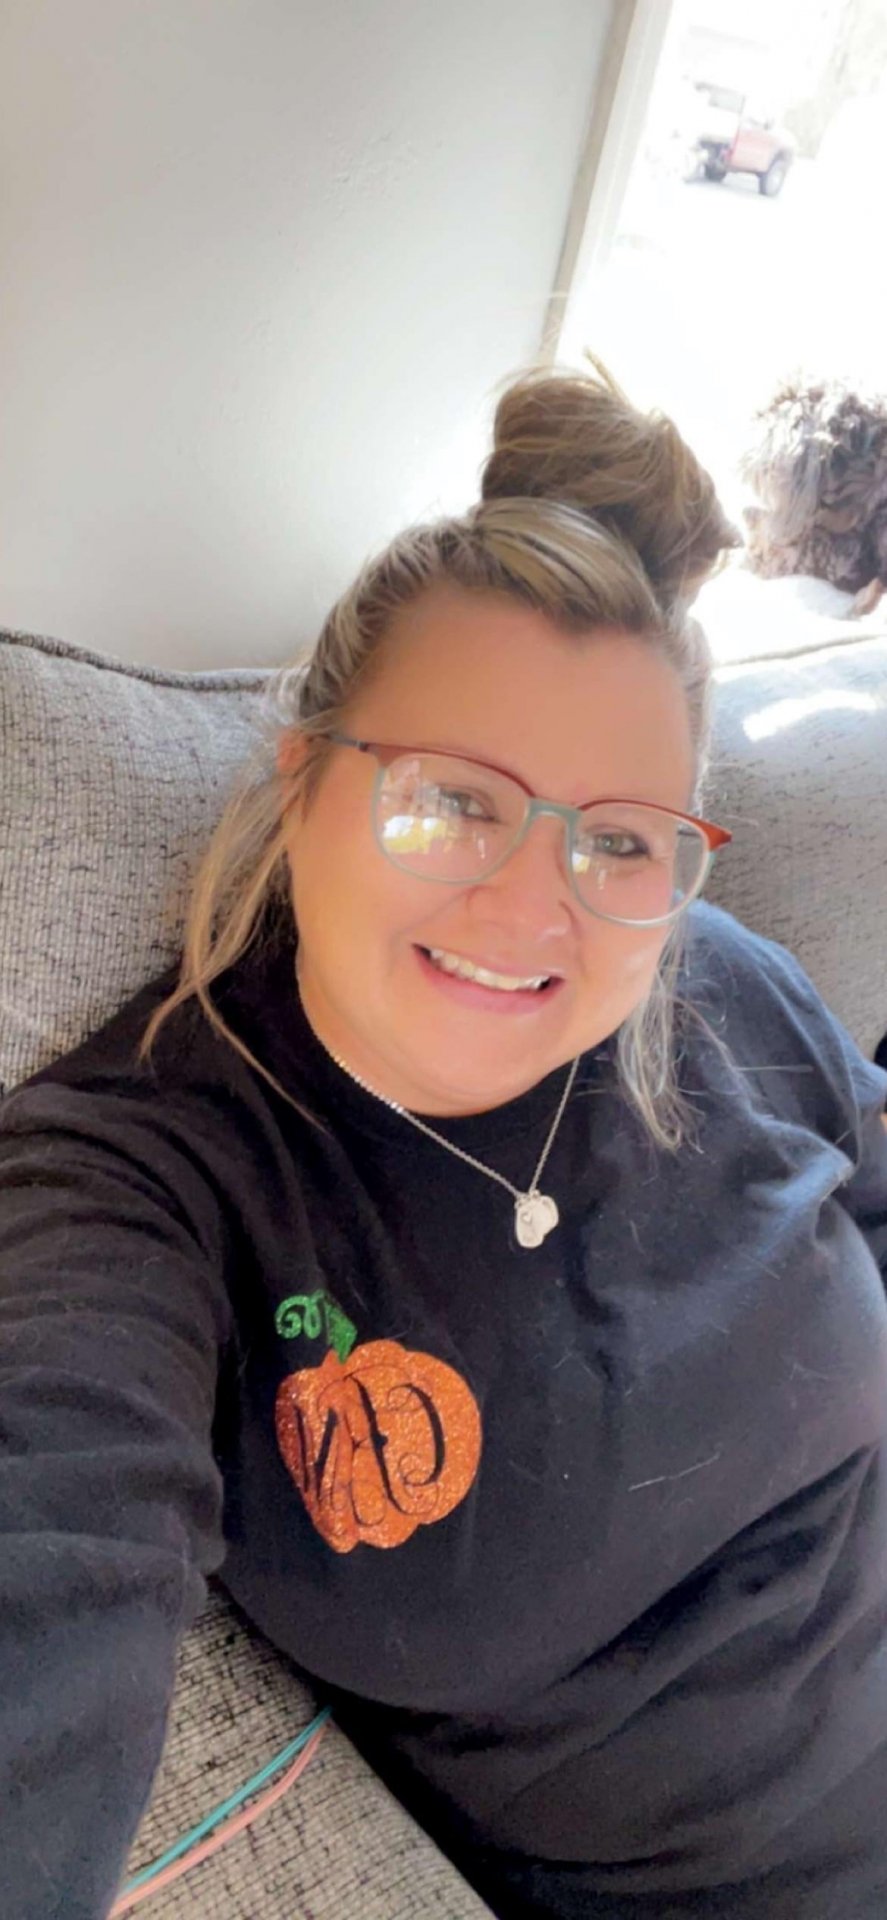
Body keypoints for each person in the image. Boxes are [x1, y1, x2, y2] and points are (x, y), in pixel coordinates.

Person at [2, 358, 887, 1920]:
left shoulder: (722, 985)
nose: (535, 906)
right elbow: (52, 1548)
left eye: (621, 838)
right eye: (455, 801)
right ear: (303, 785)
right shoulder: (144, 1180)